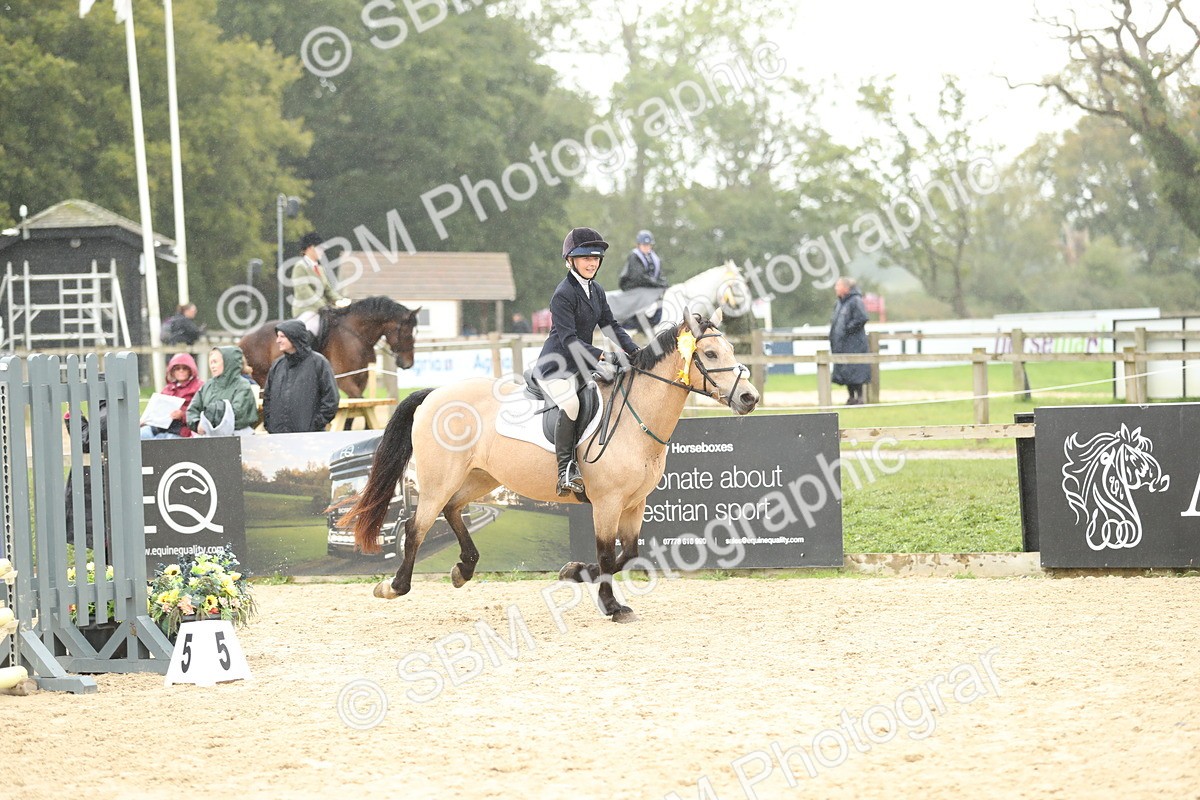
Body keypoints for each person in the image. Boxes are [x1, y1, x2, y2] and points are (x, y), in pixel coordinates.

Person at [534, 226, 639, 496]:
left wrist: (636, 352)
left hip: (582, 364)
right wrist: (604, 355)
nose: (592, 263)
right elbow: (569, 340)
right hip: (557, 365)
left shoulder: (597, 290)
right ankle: (565, 469)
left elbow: (610, 325)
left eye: (595, 258)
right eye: (585, 258)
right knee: (571, 403)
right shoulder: (563, 294)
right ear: (571, 260)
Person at [262, 320, 340, 434]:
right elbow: (267, 398)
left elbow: (331, 399)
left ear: (294, 337)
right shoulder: (277, 365)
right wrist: (270, 424)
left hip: (309, 439)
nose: (278, 340)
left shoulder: (318, 363)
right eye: (278, 336)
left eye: (282, 337)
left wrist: (315, 425)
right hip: (278, 436)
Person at [188, 347, 259, 436]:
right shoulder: (207, 386)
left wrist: (209, 422)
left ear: (228, 362)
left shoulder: (242, 385)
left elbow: (238, 413)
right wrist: (197, 423)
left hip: (237, 437)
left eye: (215, 362)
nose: (212, 366)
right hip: (209, 438)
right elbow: (192, 410)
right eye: (210, 363)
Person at [291, 232, 351, 338]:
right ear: (310, 248)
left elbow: (328, 290)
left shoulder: (320, 269)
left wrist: (340, 300)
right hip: (306, 310)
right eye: (320, 249)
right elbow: (304, 291)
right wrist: (323, 305)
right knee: (313, 327)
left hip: (323, 310)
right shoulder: (300, 267)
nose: (322, 252)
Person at [140, 353, 202, 439]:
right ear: (172, 371)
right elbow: (156, 409)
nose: (181, 371)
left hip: (182, 430)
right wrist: (146, 419)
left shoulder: (199, 388)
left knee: (166, 441)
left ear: (191, 370)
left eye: (185, 368)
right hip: (161, 427)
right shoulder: (168, 388)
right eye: (177, 368)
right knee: (142, 434)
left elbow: (200, 412)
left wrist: (182, 415)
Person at [830, 277, 871, 405]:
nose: (836, 288)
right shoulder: (839, 303)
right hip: (842, 344)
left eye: (838, 285)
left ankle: (860, 397)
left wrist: (848, 329)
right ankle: (851, 397)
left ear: (846, 288)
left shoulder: (855, 301)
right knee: (846, 371)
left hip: (854, 343)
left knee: (856, 369)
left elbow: (862, 318)